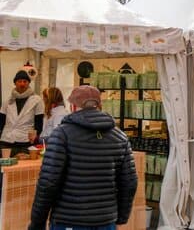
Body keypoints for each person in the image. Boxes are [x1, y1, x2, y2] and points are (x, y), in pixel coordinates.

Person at [29, 85, 137, 230]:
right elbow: (129, 182)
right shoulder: (120, 137)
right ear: (100, 105)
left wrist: (37, 222)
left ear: (73, 106)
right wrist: (121, 216)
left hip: (68, 219)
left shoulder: (62, 134)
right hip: (106, 220)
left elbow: (48, 183)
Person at [0, 70, 45, 155]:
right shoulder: (7, 101)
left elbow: (39, 122)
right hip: (6, 140)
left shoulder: (37, 100)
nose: (22, 84)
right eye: (19, 81)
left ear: (28, 83)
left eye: (25, 81)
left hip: (25, 141)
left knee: (24, 165)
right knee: (5, 166)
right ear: (15, 83)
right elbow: (1, 121)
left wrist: (35, 137)